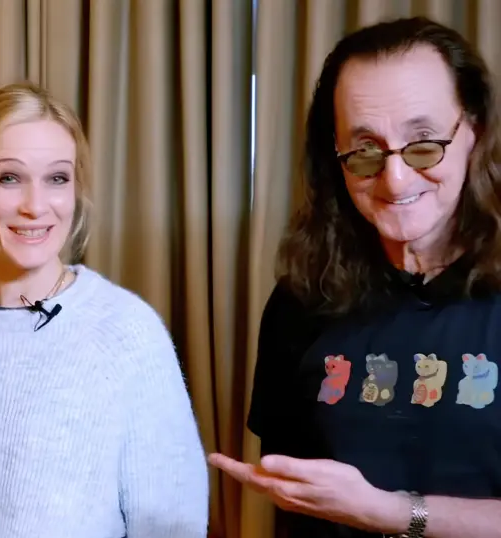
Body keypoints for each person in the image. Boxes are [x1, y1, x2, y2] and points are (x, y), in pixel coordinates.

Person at [207, 16, 501, 538]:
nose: (395, 179)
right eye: (365, 150)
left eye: (424, 142)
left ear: (473, 129)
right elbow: (296, 496)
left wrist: (394, 513)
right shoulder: (301, 297)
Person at [0, 82, 210, 538]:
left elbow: (172, 525)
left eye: (57, 178)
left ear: (76, 188)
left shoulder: (127, 331)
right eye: (9, 178)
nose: (35, 206)